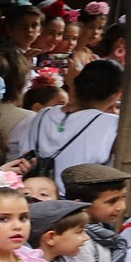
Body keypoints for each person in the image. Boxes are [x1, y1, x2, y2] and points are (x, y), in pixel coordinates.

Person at [9, 59, 125, 190]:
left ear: (76, 84)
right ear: (117, 95)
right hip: (81, 202)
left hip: (34, 195)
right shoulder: (114, 125)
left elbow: (24, 155)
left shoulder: (43, 114)